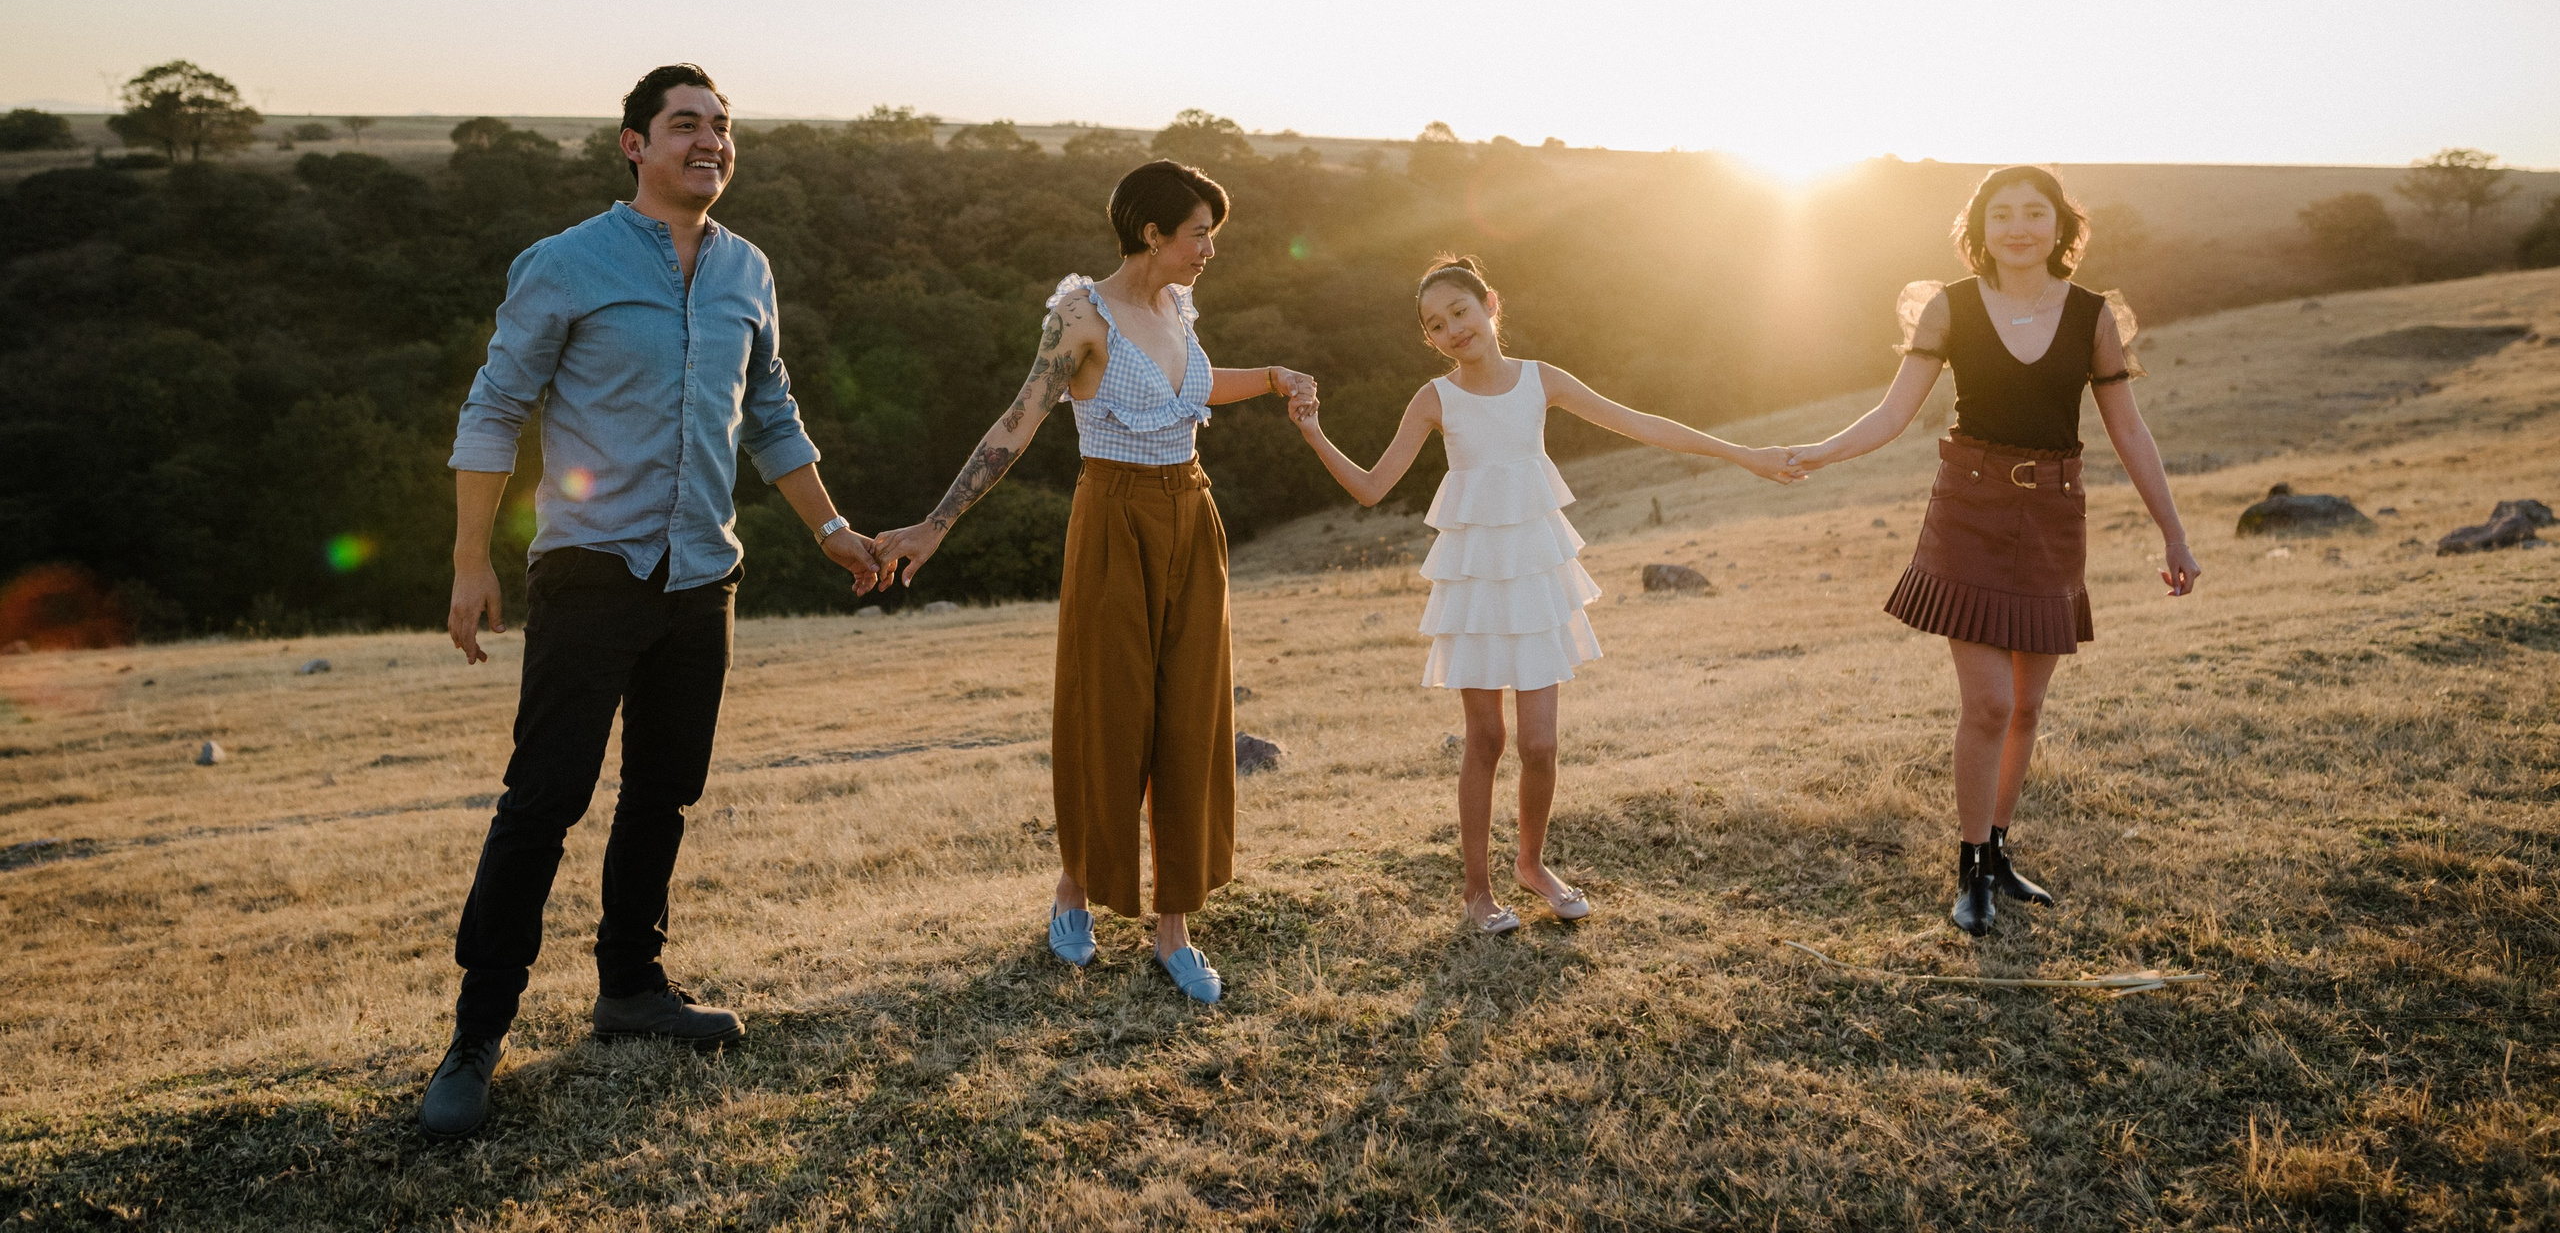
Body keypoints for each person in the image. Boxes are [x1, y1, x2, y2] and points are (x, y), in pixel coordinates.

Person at [421, 65, 882, 1137]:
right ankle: (475, 1036)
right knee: (542, 802)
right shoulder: (564, 264)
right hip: (590, 570)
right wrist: (469, 560)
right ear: (635, 145)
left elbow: (770, 415)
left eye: (722, 126)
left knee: (664, 792)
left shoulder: (746, 271)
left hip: (700, 577)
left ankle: (631, 988)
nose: (710, 141)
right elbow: (494, 410)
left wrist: (831, 531)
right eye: (687, 125)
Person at [870, 159, 1313, 1004]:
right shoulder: (1082, 317)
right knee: (1109, 714)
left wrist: (1273, 378)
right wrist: (935, 524)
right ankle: (1077, 887)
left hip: (1192, 516)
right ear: (1152, 233)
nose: (1209, 249)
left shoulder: (1176, 307)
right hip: (1111, 519)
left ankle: (1173, 925)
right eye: (1198, 233)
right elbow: (1019, 419)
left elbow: (1194, 387)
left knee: (1189, 718)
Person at [1287, 256, 1804, 933]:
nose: (1452, 329)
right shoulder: (1435, 399)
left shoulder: (1542, 381)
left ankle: (1532, 866)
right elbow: (1372, 487)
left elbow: (1644, 424)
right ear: (1431, 340)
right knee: (1486, 739)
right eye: (1436, 325)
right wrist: (1313, 429)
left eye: (1460, 312)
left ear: (1490, 304)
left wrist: (1748, 455)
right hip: (1475, 576)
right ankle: (1478, 893)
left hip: (1533, 570)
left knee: (1540, 744)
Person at [1784, 165, 2201, 935]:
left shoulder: (2092, 317)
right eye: (2001, 213)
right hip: (1969, 508)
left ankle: (2000, 854)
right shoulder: (1951, 308)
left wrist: (2173, 532)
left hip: (2052, 514)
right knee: (1990, 702)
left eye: (2033, 213)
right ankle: (1970, 867)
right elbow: (1892, 414)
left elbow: (2128, 430)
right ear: (1979, 228)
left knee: (2028, 706)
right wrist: (1816, 450)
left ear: (2060, 227)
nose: (2017, 226)